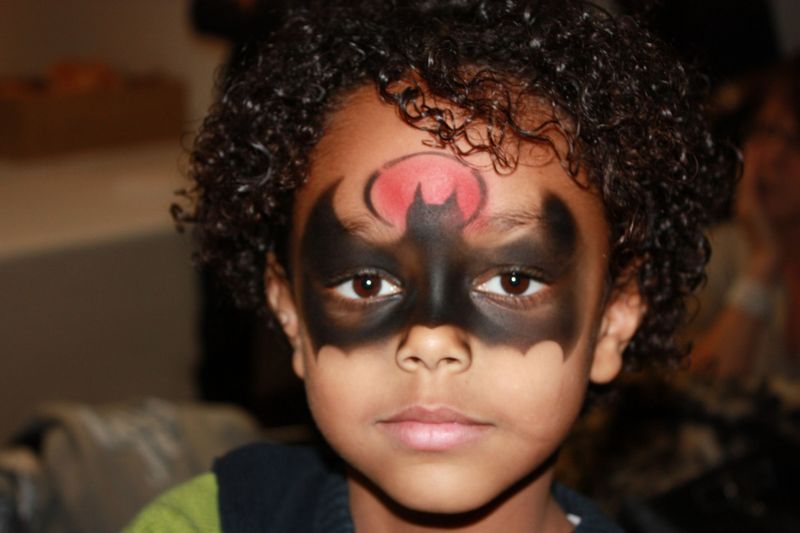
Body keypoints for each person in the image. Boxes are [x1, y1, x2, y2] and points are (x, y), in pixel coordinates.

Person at [124, 0, 734, 531]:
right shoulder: (208, 522)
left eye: (512, 280)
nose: (431, 339)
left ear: (613, 321)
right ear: (291, 315)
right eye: (368, 282)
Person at [690, 56, 800, 380]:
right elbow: (697, 390)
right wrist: (763, 265)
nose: (772, 157)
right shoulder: (711, 255)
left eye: (796, 142)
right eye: (765, 131)